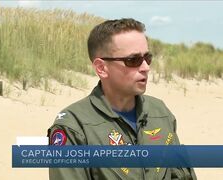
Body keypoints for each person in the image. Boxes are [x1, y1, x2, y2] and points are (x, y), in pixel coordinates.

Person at [47, 18, 197, 180]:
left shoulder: (159, 113)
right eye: (133, 60)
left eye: (147, 58)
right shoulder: (74, 127)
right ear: (101, 68)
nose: (146, 67)